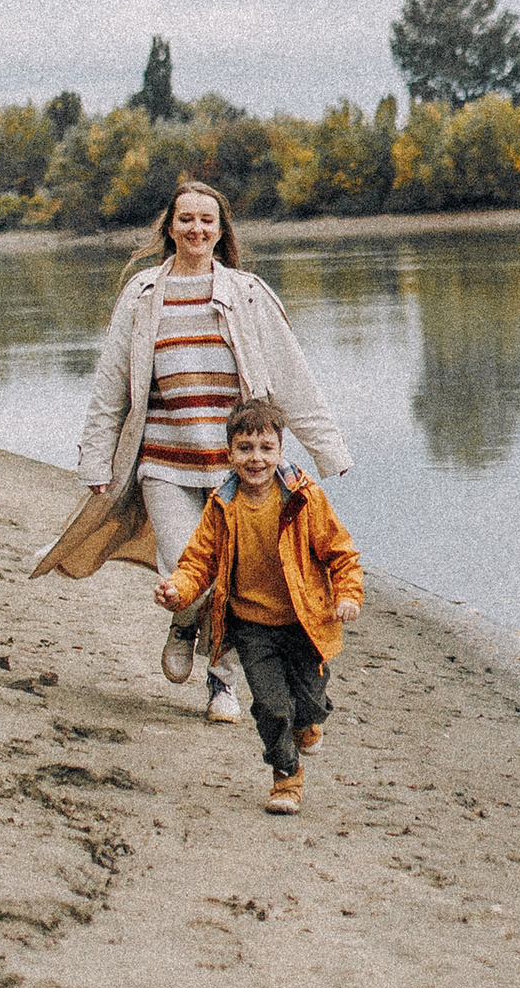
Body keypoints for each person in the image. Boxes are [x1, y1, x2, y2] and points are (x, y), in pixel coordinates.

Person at [76, 176, 352, 725]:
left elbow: (292, 376)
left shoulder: (246, 293)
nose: (196, 228)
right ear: (170, 228)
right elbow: (111, 384)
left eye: (207, 220)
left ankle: (221, 686)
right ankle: (183, 622)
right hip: (163, 462)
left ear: (221, 230)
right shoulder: (142, 295)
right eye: (186, 219)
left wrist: (328, 449)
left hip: (239, 470)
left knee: (233, 578)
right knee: (189, 571)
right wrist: (96, 458)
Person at [155, 396, 363, 812]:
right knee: (270, 706)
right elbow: (199, 559)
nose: (256, 459)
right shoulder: (222, 505)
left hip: (304, 621)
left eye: (266, 449)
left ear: (280, 450)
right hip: (252, 626)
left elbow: (340, 551)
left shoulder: (303, 498)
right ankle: (286, 777)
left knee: (308, 703)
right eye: (245, 449)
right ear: (229, 452)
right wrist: (179, 588)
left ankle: (310, 721)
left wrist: (348, 594)